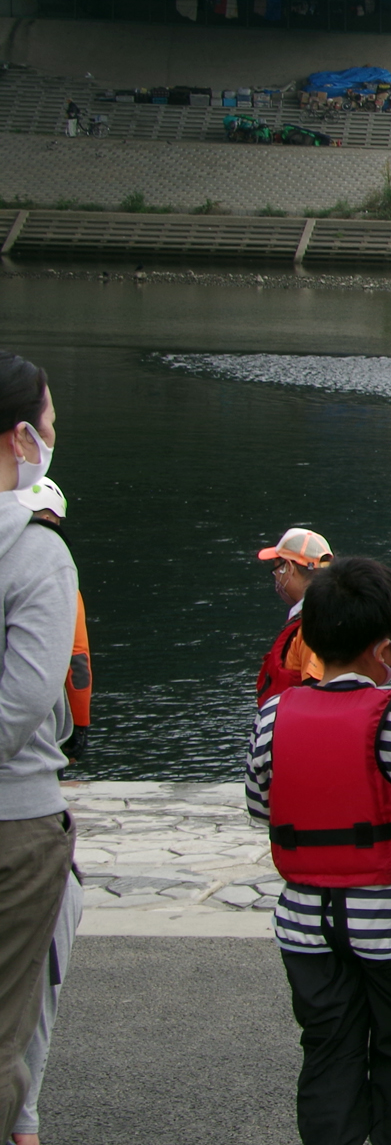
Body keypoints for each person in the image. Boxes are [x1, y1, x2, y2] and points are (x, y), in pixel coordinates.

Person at [247, 556, 391, 1145]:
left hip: (306, 927)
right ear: (387, 649)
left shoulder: (274, 717)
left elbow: (262, 809)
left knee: (327, 1052)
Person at [0, 354, 76, 1133]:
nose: (55, 435)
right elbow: (23, 705)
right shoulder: (36, 551)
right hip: (15, 819)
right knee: (10, 1019)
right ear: (21, 437)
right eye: (49, 423)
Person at [11, 479, 82, 1145]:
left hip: (34, 793)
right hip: (27, 811)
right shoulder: (45, 570)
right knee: (32, 990)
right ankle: (25, 1123)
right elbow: (49, 705)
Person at [256, 526, 335, 705]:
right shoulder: (333, 611)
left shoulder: (312, 624)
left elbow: (318, 691)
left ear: (289, 568)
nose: (275, 576)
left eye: (277, 568)